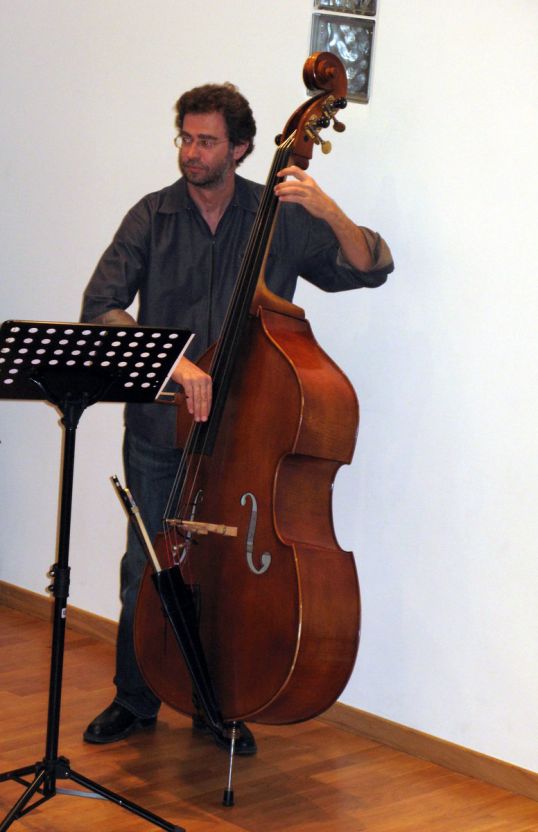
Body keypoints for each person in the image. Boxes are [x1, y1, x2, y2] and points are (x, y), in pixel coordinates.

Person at [80, 82, 394, 756]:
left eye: (206, 141)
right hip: (163, 428)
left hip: (250, 436)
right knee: (148, 566)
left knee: (229, 575)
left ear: (241, 148)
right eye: (186, 139)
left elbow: (370, 267)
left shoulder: (278, 215)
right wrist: (173, 364)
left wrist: (328, 209)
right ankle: (134, 698)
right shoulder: (152, 215)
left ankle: (215, 702)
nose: (191, 152)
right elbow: (102, 305)